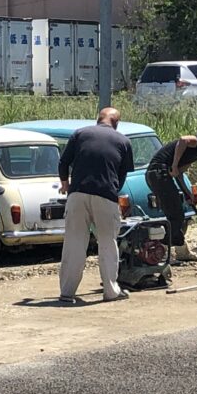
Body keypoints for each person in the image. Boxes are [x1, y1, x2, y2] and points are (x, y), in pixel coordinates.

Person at [57, 107, 134, 304]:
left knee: (74, 242)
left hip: (78, 193)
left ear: (98, 119)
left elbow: (63, 162)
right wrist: (114, 191)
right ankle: (110, 290)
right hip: (106, 195)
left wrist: (65, 183)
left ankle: (67, 292)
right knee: (108, 243)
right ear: (116, 123)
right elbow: (122, 174)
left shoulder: (80, 134)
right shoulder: (123, 142)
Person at [145, 126, 197, 263]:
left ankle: (181, 251)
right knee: (176, 215)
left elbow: (180, 175)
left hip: (159, 175)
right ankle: (163, 253)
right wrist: (175, 164)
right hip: (158, 172)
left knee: (178, 213)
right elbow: (183, 140)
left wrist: (188, 194)